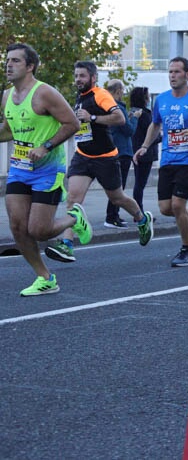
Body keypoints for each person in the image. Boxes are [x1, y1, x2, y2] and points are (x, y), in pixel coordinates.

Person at [0, 44, 90, 295]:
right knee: (18, 227)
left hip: (48, 169)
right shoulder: (7, 96)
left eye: (16, 61)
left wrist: (45, 146)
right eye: (7, 60)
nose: (8, 65)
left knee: (38, 230)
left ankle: (75, 218)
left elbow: (72, 123)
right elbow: (8, 130)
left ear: (30, 67)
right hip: (20, 168)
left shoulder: (45, 93)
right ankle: (45, 277)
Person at [48, 62, 152, 263]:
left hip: (105, 157)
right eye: (76, 75)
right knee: (73, 199)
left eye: (82, 76)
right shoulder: (80, 97)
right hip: (82, 155)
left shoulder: (100, 94)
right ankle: (67, 245)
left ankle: (142, 219)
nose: (78, 79)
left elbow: (120, 118)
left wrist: (92, 117)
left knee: (117, 198)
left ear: (93, 78)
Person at [134, 56, 188, 267]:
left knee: (177, 204)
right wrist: (145, 146)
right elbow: (155, 125)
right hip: (168, 158)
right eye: (170, 72)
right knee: (165, 208)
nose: (172, 76)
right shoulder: (161, 100)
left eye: (177, 72)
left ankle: (187, 250)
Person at [103, 78, 138, 228]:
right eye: (122, 91)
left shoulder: (104, 106)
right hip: (123, 150)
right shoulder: (119, 108)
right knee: (118, 187)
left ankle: (113, 215)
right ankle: (112, 217)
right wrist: (135, 119)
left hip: (110, 149)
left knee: (114, 186)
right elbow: (129, 130)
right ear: (118, 91)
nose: (123, 94)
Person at [129, 86, 157, 215]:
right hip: (145, 153)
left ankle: (138, 211)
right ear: (144, 98)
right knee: (140, 184)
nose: (149, 98)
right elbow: (151, 135)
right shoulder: (145, 115)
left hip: (135, 149)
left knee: (139, 182)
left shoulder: (133, 112)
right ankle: (138, 212)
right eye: (148, 96)